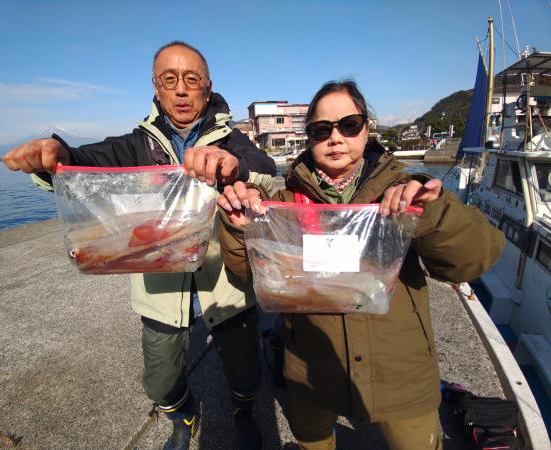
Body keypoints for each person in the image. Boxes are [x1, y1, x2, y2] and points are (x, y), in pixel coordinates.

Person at [3, 41, 276, 450]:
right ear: (156, 87)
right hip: (160, 293)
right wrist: (53, 155)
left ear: (207, 87)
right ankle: (182, 416)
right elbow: (82, 161)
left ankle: (243, 412)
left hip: (227, 288)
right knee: (160, 382)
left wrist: (233, 167)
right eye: (169, 79)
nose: (181, 89)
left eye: (191, 79)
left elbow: (265, 169)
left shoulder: (232, 140)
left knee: (246, 373)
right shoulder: (135, 145)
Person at [216, 79, 504, 450]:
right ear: (309, 137)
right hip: (310, 372)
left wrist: (431, 213)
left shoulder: (404, 190)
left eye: (349, 125)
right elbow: (249, 274)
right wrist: (239, 228)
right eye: (322, 130)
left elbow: (473, 259)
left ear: (367, 129)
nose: (335, 138)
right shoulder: (282, 203)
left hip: (400, 373)